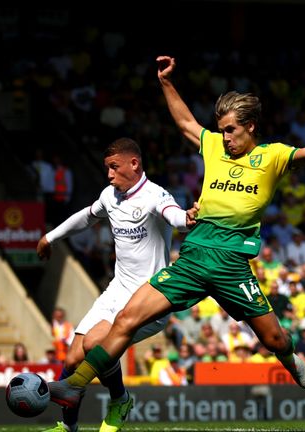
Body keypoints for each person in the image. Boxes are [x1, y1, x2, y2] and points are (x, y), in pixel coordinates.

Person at [48, 55, 305, 414]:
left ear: (251, 127)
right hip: (193, 258)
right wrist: (165, 82)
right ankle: (74, 385)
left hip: (231, 265)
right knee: (126, 319)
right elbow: (184, 122)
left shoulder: (272, 157)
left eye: (230, 130)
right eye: (221, 129)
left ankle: (289, 358)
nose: (223, 137)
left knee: (274, 338)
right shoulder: (214, 146)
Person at [36, 137, 199, 432]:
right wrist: (51, 237)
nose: (109, 174)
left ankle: (120, 399)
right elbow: (86, 217)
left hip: (150, 299)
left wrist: (188, 218)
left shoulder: (155, 195)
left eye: (114, 167)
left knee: (94, 342)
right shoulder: (110, 195)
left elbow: (174, 215)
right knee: (72, 359)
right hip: (117, 290)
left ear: (134, 164)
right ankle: (68, 427)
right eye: (107, 168)